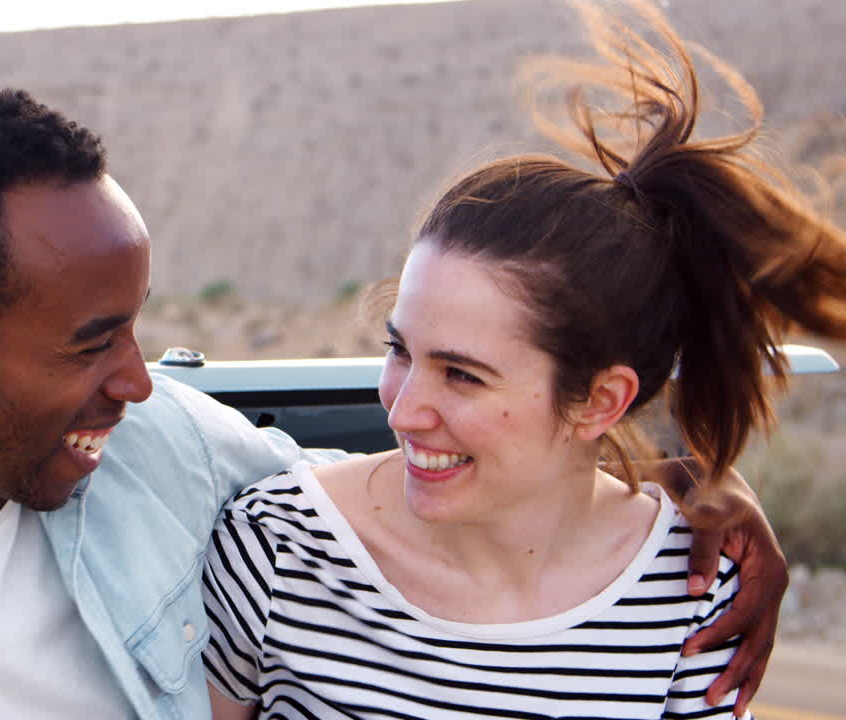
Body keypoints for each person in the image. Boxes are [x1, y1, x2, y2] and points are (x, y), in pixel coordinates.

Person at [0, 74, 786, 718]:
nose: (141, 380)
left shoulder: (153, 448)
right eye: (92, 340)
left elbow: (389, 502)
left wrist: (691, 491)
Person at [202, 2, 846, 719]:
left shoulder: (693, 589)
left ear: (601, 402)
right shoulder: (277, 547)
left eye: (463, 375)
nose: (403, 409)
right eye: (399, 349)